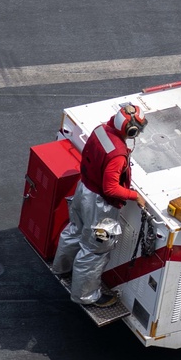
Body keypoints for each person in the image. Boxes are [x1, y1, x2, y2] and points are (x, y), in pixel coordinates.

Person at [52, 103, 148, 308]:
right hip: (99, 206)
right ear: (130, 130)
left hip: (83, 190)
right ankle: (86, 296)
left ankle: (61, 268)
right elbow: (111, 189)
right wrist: (135, 196)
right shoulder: (118, 155)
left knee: (75, 230)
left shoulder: (100, 130)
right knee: (94, 251)